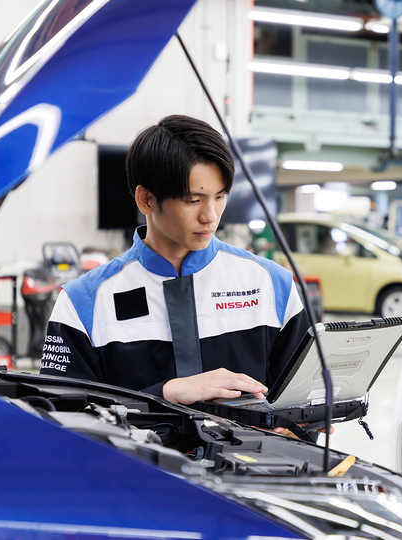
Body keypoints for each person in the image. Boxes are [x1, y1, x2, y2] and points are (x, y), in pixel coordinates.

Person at [39, 115, 311, 408]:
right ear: (146, 200)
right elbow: (62, 417)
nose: (210, 216)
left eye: (219, 197)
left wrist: (298, 420)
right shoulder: (83, 303)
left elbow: (302, 399)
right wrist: (162, 394)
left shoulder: (272, 284)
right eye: (193, 200)